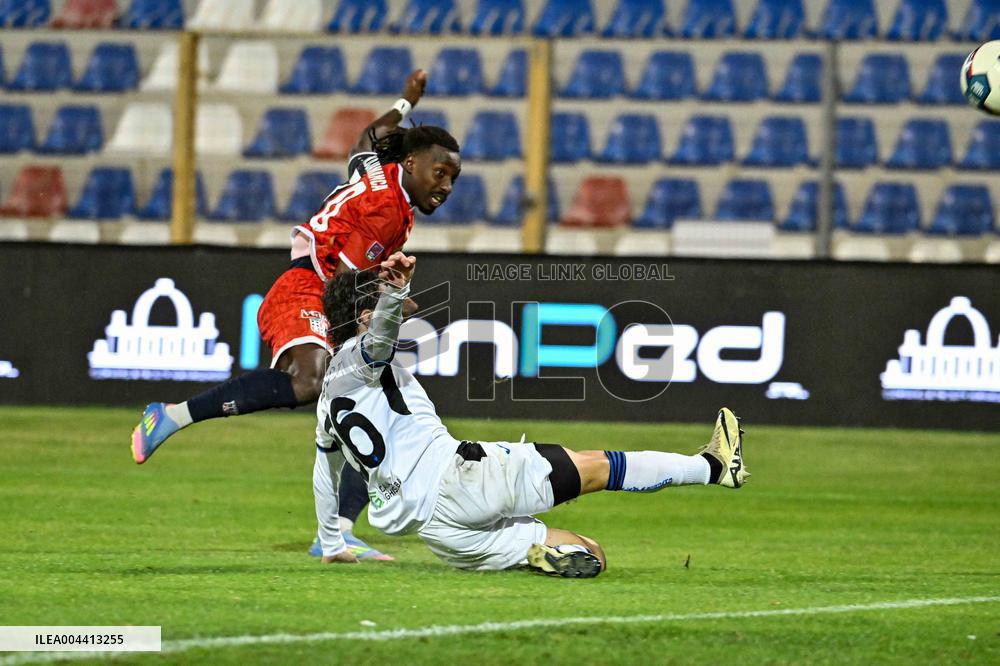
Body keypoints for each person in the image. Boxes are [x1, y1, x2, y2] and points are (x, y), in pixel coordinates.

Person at [130, 70, 463, 563]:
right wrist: (388, 299)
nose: (447, 186)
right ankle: (170, 417)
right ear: (412, 163)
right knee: (311, 381)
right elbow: (345, 282)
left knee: (369, 400)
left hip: (329, 287)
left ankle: (338, 534)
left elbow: (366, 139)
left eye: (454, 178)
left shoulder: (382, 173)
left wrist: (405, 102)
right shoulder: (387, 210)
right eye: (440, 173)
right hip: (307, 287)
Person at [313, 252, 750, 576]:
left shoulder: (327, 401)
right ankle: (713, 466)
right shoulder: (360, 354)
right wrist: (395, 293)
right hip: (458, 477)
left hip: (436, 532)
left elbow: (325, 471)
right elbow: (379, 342)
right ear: (365, 317)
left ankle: (538, 556)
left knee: (593, 554)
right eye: (377, 295)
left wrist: (332, 541)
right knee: (595, 468)